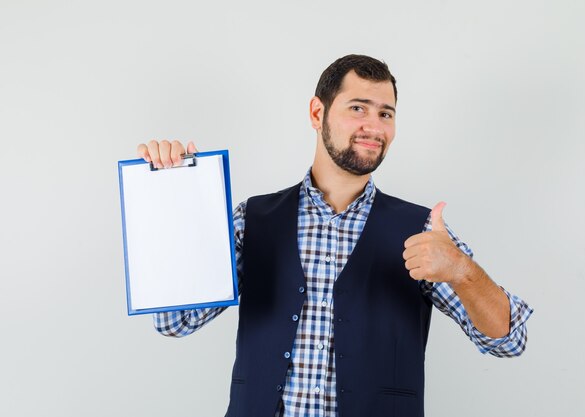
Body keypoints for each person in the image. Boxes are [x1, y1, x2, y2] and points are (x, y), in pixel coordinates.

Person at [137, 54, 533, 417]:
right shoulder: (252, 220)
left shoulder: (422, 230)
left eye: (386, 114)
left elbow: (508, 340)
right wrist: (175, 197)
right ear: (317, 112)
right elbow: (176, 321)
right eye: (358, 108)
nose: (374, 127)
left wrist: (462, 270)